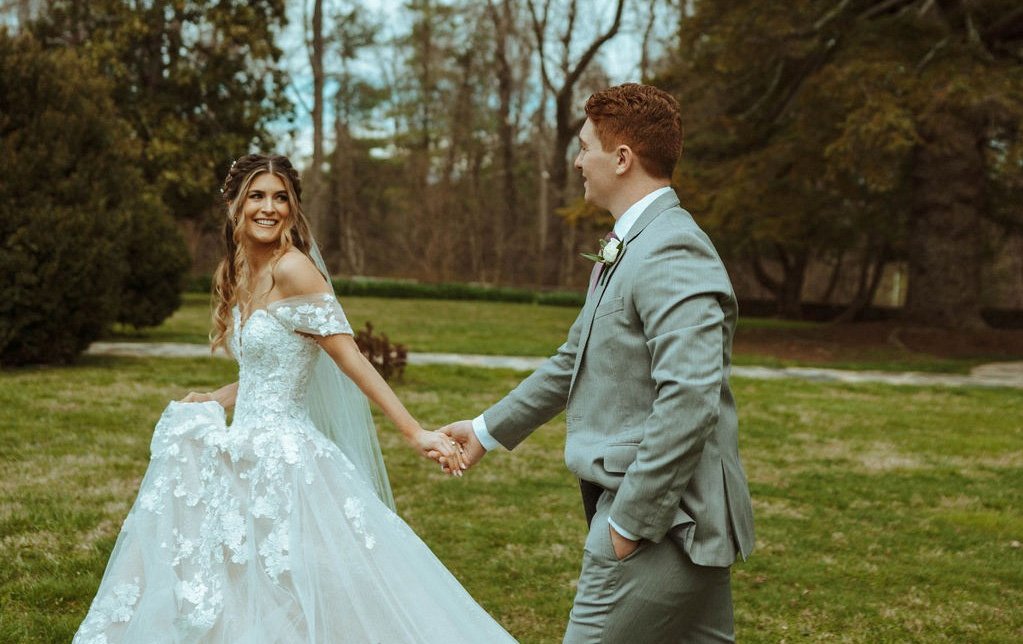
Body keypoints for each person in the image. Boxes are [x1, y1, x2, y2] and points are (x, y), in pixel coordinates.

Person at [74, 154, 515, 643]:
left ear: (293, 207)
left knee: (307, 583)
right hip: (240, 454)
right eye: (257, 196)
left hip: (286, 462)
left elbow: (351, 360)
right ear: (235, 205)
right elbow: (266, 373)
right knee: (238, 585)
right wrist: (216, 400)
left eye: (280, 197)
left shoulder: (294, 270)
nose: (269, 208)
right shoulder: (241, 271)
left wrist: (414, 432)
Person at [441, 83, 756, 643]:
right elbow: (573, 361)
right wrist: (486, 432)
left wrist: (631, 522)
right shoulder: (632, 244)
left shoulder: (669, 248)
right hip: (684, 523)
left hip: (666, 524)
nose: (578, 160)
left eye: (585, 146)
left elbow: (690, 397)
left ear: (622, 158)